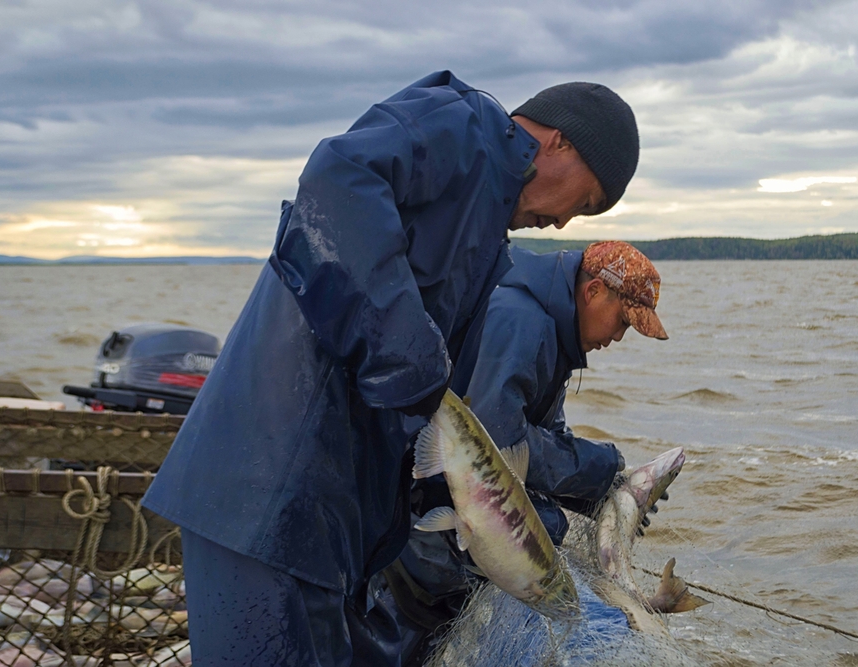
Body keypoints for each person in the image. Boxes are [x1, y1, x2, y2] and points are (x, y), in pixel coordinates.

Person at [141, 71, 641, 666]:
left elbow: (428, 413)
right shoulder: (465, 126)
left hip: (332, 528)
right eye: (582, 203)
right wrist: (411, 354)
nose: (562, 225)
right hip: (266, 495)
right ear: (559, 141)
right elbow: (335, 182)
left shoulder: (488, 251)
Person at [386, 240, 668, 664]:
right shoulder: (524, 321)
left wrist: (601, 494)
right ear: (592, 292)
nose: (618, 336)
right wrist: (603, 470)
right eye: (622, 321)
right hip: (419, 502)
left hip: (441, 496)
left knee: (547, 530)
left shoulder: (554, 327)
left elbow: (544, 433)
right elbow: (500, 441)